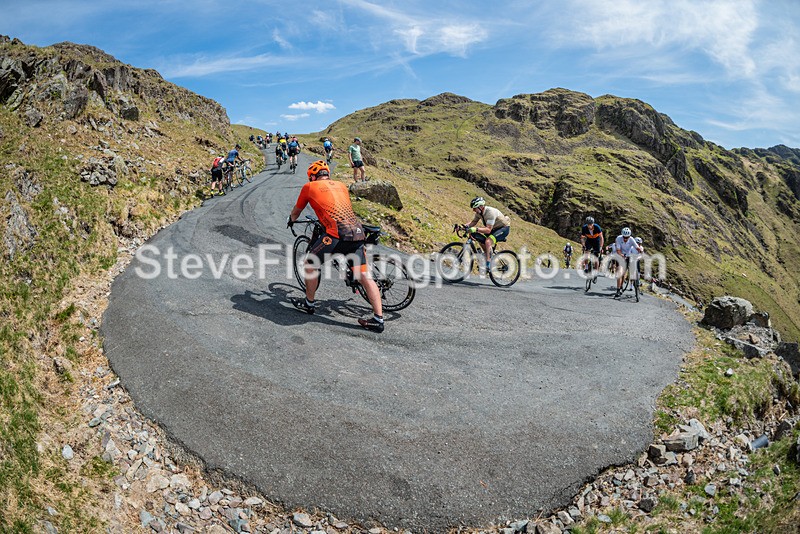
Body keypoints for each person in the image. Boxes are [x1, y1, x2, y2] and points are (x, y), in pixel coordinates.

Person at [287, 161, 385, 333]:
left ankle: (309, 304)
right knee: (364, 276)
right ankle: (378, 319)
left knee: (310, 264)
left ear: (312, 176)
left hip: (336, 235)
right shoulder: (341, 185)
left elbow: (296, 211)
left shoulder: (309, 186)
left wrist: (291, 220)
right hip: (357, 233)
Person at [463, 196, 511, 274]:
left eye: (475, 208)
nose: (473, 210)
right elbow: (473, 222)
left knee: (488, 241)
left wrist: (476, 229)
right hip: (493, 229)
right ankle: (487, 253)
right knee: (478, 237)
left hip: (503, 229)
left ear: (480, 207)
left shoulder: (490, 213)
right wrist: (463, 227)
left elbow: (488, 230)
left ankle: (488, 264)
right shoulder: (479, 213)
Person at [613, 227, 644, 297]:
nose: (625, 239)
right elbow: (618, 250)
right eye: (624, 237)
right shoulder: (618, 238)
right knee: (620, 272)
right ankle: (618, 289)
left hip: (628, 256)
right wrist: (622, 255)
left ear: (629, 236)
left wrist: (641, 251)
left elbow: (637, 247)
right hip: (620, 255)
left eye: (627, 237)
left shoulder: (632, 239)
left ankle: (632, 283)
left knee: (624, 273)